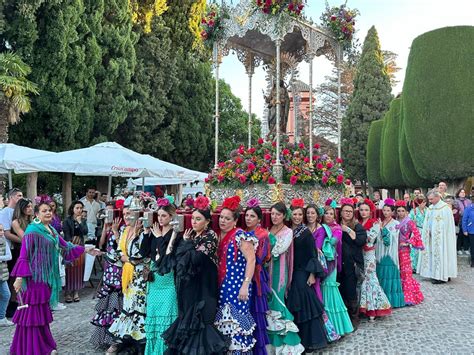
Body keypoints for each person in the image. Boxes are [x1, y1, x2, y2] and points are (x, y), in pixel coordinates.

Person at [9, 201, 99, 355]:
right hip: (32, 279)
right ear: (36, 214)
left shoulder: (51, 230)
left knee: (41, 313)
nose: (48, 213)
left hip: (46, 278)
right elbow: (24, 255)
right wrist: (19, 278)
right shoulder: (32, 231)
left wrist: (86, 249)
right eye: (44, 211)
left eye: (50, 210)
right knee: (31, 313)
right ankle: (32, 348)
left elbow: (66, 247)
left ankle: (43, 344)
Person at [162, 196, 229, 354]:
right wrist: (182, 240)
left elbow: (195, 258)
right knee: (187, 325)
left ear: (207, 222)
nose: (194, 222)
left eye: (198, 219)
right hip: (188, 289)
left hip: (204, 289)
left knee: (202, 325)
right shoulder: (191, 236)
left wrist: (186, 244)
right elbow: (175, 257)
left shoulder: (210, 236)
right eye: (192, 218)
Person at [215, 196, 257, 353]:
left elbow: (251, 260)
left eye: (227, 218)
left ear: (235, 221)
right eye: (221, 218)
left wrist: (245, 284)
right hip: (223, 287)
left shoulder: (240, 236)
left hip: (238, 287)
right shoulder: (219, 235)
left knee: (236, 325)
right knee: (223, 324)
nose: (223, 221)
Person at [107, 208, 152, 354]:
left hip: (140, 275)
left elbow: (141, 255)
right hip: (128, 275)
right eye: (125, 214)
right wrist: (127, 258)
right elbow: (119, 251)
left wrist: (130, 259)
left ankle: (140, 343)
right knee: (128, 306)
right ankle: (128, 342)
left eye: (131, 215)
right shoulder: (125, 230)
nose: (127, 217)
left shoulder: (143, 232)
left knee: (139, 307)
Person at [286, 199, 328, 351]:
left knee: (304, 303)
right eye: (294, 214)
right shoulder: (288, 230)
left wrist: (312, 274)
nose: (297, 217)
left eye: (299, 214)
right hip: (292, 270)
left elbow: (313, 255)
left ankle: (312, 340)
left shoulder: (305, 233)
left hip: (303, 271)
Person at [266, 202, 304, 354]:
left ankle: (288, 347)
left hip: (279, 273)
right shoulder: (269, 229)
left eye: (278, 214)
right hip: (266, 271)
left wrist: (264, 251)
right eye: (273, 214)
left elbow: (277, 250)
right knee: (268, 305)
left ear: (284, 216)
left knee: (278, 305)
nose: (275, 217)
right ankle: (272, 345)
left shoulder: (287, 232)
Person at [142, 199, 179, 355]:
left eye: (164, 216)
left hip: (168, 279)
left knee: (166, 317)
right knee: (154, 315)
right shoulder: (155, 229)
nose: (160, 219)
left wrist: (158, 237)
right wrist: (146, 233)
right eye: (159, 215)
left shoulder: (175, 233)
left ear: (171, 217)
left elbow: (166, 257)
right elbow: (144, 252)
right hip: (154, 280)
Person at [314, 205, 353, 337]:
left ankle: (336, 326)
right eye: (326, 213)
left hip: (331, 265)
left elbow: (334, 241)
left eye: (331, 213)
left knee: (330, 291)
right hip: (320, 264)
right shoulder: (319, 228)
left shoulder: (337, 229)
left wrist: (324, 238)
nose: (329, 216)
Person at [90, 206, 123, 349]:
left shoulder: (122, 229)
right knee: (107, 300)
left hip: (118, 267)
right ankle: (105, 336)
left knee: (116, 300)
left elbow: (122, 245)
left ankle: (116, 338)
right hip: (109, 267)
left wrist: (115, 230)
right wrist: (105, 227)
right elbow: (101, 244)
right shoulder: (109, 228)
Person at [244, 199, 271, 355]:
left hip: (256, 276)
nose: (248, 218)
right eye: (247, 215)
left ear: (259, 219)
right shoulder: (244, 233)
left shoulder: (262, 235)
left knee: (255, 310)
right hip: (246, 274)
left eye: (252, 216)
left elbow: (260, 258)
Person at [358, 200, 392, 321]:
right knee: (363, 279)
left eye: (366, 210)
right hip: (360, 254)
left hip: (369, 254)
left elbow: (370, 239)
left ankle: (373, 308)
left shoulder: (374, 223)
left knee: (371, 279)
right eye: (361, 210)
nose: (363, 212)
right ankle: (365, 307)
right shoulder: (359, 222)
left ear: (370, 211)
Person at [337, 198, 367, 329]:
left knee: (351, 291)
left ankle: (354, 317)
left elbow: (361, 241)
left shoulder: (357, 226)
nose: (348, 213)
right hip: (339, 264)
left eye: (350, 211)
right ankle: (344, 318)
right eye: (345, 211)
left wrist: (347, 230)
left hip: (352, 264)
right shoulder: (336, 225)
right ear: (341, 212)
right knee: (341, 289)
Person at [418, 190, 457, 284]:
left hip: (442, 238)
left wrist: (436, 231)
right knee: (431, 253)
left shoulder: (445, 208)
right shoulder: (430, 208)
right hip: (431, 237)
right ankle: (433, 273)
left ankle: (442, 275)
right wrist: (428, 231)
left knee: (442, 253)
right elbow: (427, 223)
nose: (430, 201)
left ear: (437, 197)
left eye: (431, 199)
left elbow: (447, 226)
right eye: (429, 199)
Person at [376, 199, 405, 308]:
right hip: (380, 253)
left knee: (388, 274)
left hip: (389, 254)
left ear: (392, 212)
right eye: (384, 210)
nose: (385, 212)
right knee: (381, 275)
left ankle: (391, 301)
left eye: (388, 210)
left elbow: (389, 241)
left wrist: (382, 230)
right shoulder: (381, 222)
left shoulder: (396, 224)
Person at [395, 201, 424, 306]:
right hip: (395, 250)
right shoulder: (395, 221)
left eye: (403, 211)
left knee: (406, 273)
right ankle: (398, 296)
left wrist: (408, 242)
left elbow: (417, 235)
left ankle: (409, 297)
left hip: (405, 251)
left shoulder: (409, 222)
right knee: (398, 272)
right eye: (398, 211)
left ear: (406, 212)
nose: (400, 213)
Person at [63, 200, 88, 303]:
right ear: (72, 209)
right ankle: (68, 292)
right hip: (70, 246)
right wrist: (71, 246)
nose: (79, 210)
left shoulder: (83, 220)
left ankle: (76, 291)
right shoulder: (67, 220)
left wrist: (80, 222)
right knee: (69, 269)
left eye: (80, 208)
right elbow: (66, 234)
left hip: (80, 246)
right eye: (77, 208)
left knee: (79, 269)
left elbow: (85, 232)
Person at [410, 195, 428, 272]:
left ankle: (424, 265)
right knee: (415, 249)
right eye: (420, 202)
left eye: (424, 202)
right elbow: (409, 221)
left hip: (426, 230)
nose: (422, 204)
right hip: (417, 230)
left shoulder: (428, 210)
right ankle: (414, 266)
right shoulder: (414, 211)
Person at [0, 223, 13, 327]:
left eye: (2, 230)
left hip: (2, 274)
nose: (2, 233)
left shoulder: (4, 242)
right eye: (0, 230)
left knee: (6, 294)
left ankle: (2, 317)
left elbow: (9, 256)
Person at [455, 188, 471, 255]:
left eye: (464, 192)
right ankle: (458, 248)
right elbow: (457, 211)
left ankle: (466, 248)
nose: (463, 193)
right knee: (461, 234)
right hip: (460, 220)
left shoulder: (469, 201)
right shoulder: (456, 201)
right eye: (461, 192)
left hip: (469, 220)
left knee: (467, 235)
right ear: (458, 193)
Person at [462, 194, 474, 267]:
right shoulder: (469, 208)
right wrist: (465, 230)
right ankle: (473, 261)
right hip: (471, 230)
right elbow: (464, 220)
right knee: (473, 247)